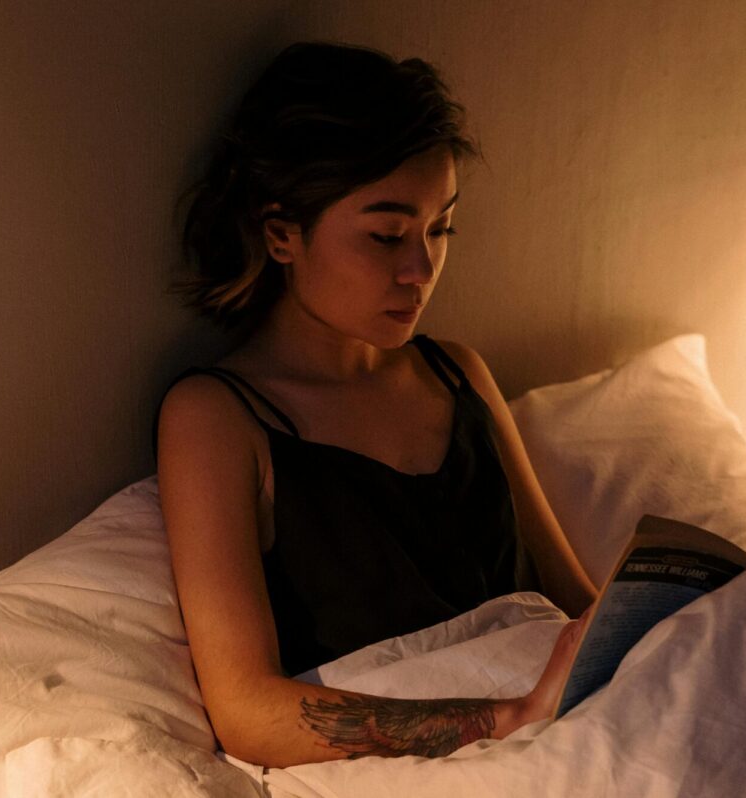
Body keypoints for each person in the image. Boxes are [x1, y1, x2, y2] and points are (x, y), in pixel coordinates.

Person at [153, 40, 597, 770]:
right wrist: (509, 718)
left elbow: (577, 603)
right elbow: (246, 710)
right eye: (387, 236)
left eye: (440, 228)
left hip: (567, 720)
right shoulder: (216, 418)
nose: (421, 269)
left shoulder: (456, 373)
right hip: (436, 762)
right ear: (282, 234)